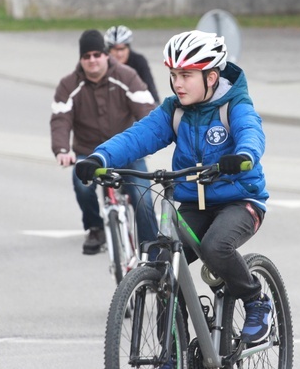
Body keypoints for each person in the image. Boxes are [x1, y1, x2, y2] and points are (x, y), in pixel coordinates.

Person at [75, 30, 272, 344]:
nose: (177, 83)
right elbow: (138, 136)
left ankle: (256, 301)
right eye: (173, 75)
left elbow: (251, 133)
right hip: (194, 202)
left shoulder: (234, 105)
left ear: (211, 77)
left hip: (240, 200)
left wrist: (243, 155)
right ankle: (174, 349)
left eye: (185, 76)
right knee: (160, 258)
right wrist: (100, 156)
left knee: (215, 247)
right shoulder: (175, 110)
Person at [50, 29, 158, 255]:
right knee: (82, 185)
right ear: (81, 59)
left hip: (127, 151)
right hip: (89, 154)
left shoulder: (126, 76)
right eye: (86, 56)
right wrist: (62, 149)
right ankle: (95, 228)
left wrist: (152, 138)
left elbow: (147, 110)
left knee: (143, 198)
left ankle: (153, 250)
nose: (92, 60)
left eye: (97, 55)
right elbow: (60, 119)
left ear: (105, 55)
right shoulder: (69, 85)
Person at [104, 25, 160, 103]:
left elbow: (150, 89)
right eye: (115, 49)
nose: (119, 54)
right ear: (109, 50)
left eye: (122, 49)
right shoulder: (102, 63)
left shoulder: (139, 61)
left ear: (128, 48)